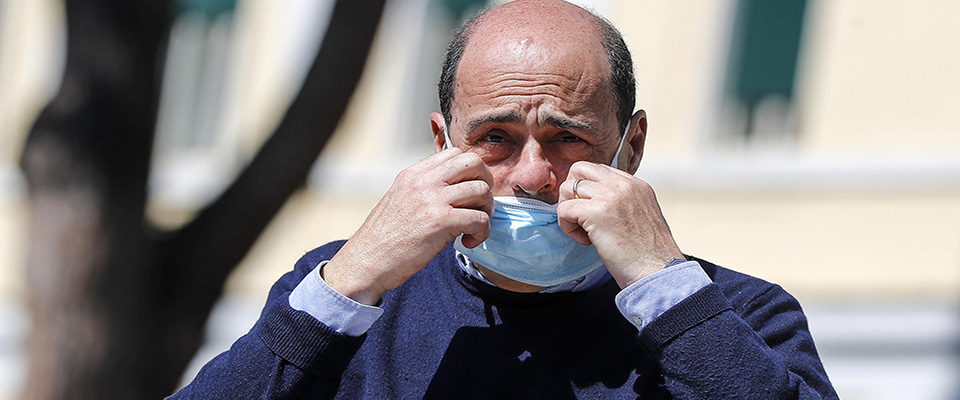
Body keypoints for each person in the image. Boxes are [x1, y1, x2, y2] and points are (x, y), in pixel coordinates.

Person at [171, 1, 838, 398]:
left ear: (630, 149)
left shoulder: (740, 315)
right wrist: (347, 281)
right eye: (495, 137)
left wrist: (667, 293)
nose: (531, 174)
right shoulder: (346, 298)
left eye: (566, 137)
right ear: (442, 144)